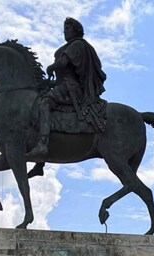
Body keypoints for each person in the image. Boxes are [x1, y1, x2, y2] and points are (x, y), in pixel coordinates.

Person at [24, 17, 107, 159]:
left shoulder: (77, 44)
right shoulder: (71, 46)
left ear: (77, 30)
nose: (65, 32)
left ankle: (43, 143)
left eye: (68, 29)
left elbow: (63, 62)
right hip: (63, 85)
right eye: (64, 29)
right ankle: (40, 163)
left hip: (71, 88)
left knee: (44, 104)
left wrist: (51, 67)